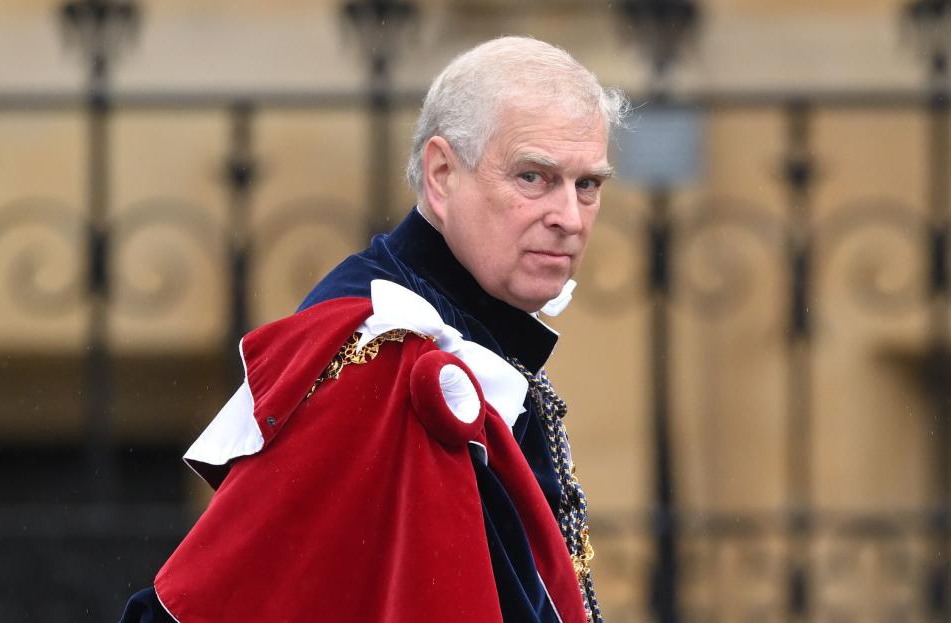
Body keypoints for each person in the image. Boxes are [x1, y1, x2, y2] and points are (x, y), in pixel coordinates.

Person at [119, 35, 626, 623]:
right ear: (441, 174)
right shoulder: (379, 349)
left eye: (587, 185)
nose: (568, 217)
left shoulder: (482, 335)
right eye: (534, 177)